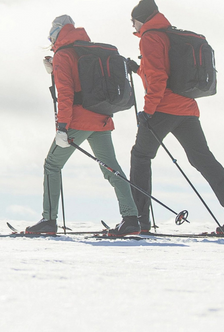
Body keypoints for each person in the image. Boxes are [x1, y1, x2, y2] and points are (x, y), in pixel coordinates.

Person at [128, 0, 224, 234]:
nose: (132, 27)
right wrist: (138, 69)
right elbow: (164, 72)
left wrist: (147, 111)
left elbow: (159, 79)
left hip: (163, 108)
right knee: (202, 159)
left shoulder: (151, 38)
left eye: (133, 21)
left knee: (140, 156)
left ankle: (139, 220)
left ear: (142, 20)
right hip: (187, 109)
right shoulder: (169, 35)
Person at [25, 15, 140, 236]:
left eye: (51, 34)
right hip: (102, 118)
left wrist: (62, 127)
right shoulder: (86, 49)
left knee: (52, 165)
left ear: (57, 33)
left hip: (78, 120)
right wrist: (55, 70)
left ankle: (49, 220)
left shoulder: (63, 54)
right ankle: (131, 218)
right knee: (111, 168)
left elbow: (66, 94)